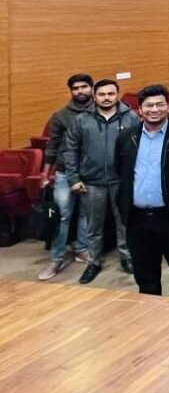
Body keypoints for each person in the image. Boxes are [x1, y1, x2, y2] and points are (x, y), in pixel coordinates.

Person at [115, 85, 169, 298]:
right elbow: (120, 173)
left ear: (168, 107)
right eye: (149, 105)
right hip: (137, 219)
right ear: (140, 110)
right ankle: (151, 315)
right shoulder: (127, 137)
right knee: (146, 277)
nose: (154, 109)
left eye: (160, 104)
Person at [64, 79, 140, 284]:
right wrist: (74, 178)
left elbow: (140, 149)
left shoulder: (131, 117)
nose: (106, 98)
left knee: (124, 222)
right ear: (95, 96)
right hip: (92, 182)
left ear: (117, 95)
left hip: (121, 181)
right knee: (94, 226)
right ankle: (94, 262)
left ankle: (127, 257)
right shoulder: (81, 120)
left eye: (111, 94)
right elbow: (70, 150)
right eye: (102, 94)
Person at [37, 74, 93, 280]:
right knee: (62, 215)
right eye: (75, 88)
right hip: (64, 171)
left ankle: (82, 249)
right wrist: (46, 172)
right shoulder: (61, 116)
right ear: (71, 91)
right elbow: (52, 145)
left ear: (92, 88)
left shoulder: (100, 112)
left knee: (86, 214)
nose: (80, 91)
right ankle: (57, 258)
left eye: (84, 87)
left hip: (90, 171)